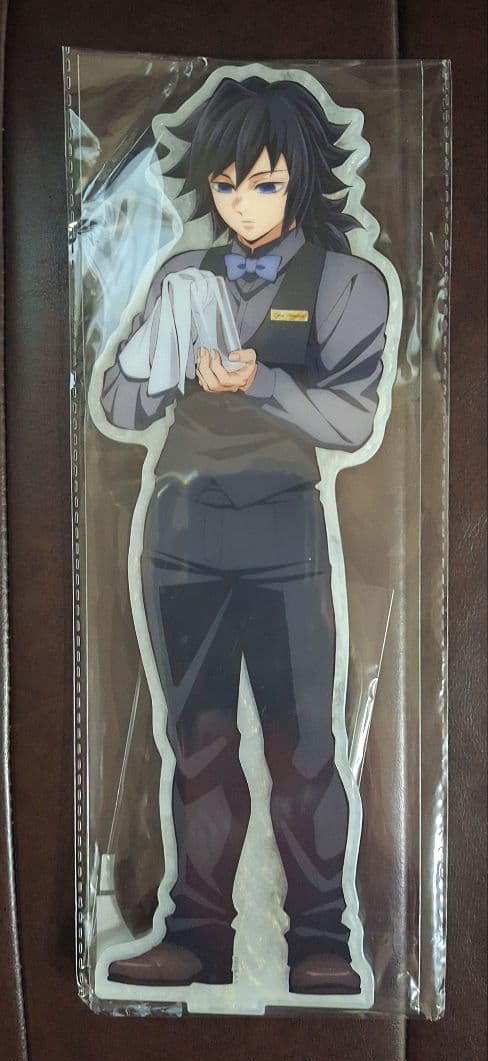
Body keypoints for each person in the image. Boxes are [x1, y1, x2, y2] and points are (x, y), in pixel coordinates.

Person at [100, 76, 389, 993]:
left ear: (301, 179)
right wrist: (159, 366)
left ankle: (321, 942)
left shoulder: (348, 282)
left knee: (304, 747)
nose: (243, 206)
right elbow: (118, 405)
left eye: (264, 184)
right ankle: (198, 938)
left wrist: (258, 382)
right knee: (199, 745)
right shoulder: (183, 276)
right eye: (226, 186)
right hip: (181, 530)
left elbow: (353, 421)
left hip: (284, 534)